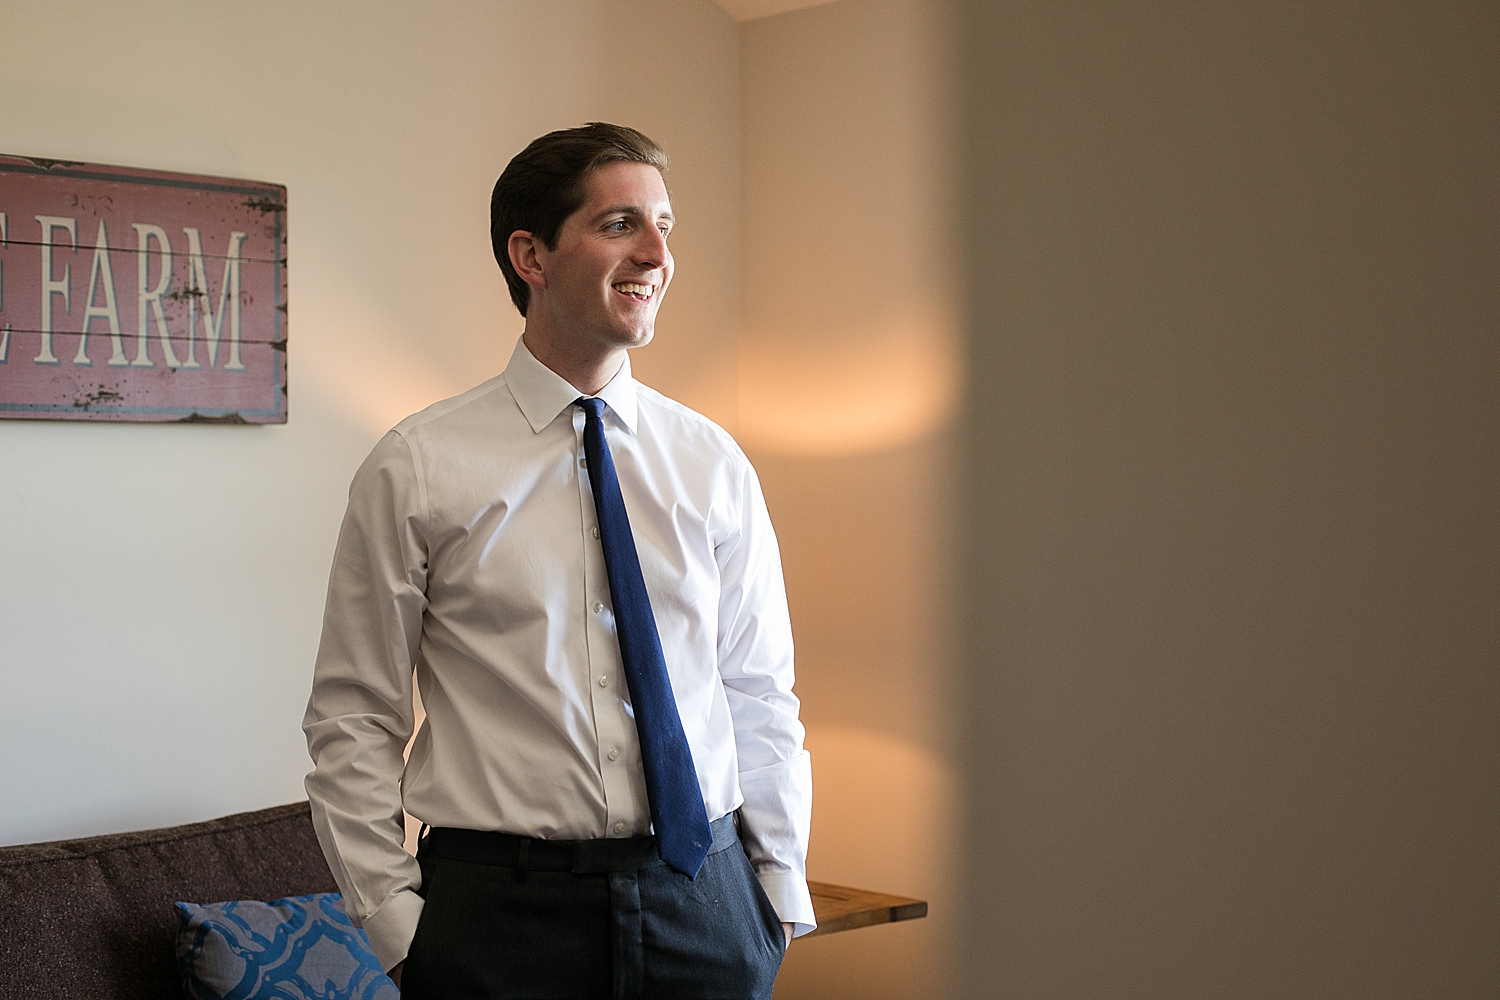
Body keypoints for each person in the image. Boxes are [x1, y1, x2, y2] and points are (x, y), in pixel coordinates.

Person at [302, 122, 813, 999]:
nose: (658, 253)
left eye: (665, 225)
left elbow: (758, 692)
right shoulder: (418, 465)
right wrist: (397, 928)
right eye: (621, 224)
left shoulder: (713, 462)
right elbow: (354, 717)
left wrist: (773, 898)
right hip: (498, 924)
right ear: (530, 255)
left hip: (708, 909)